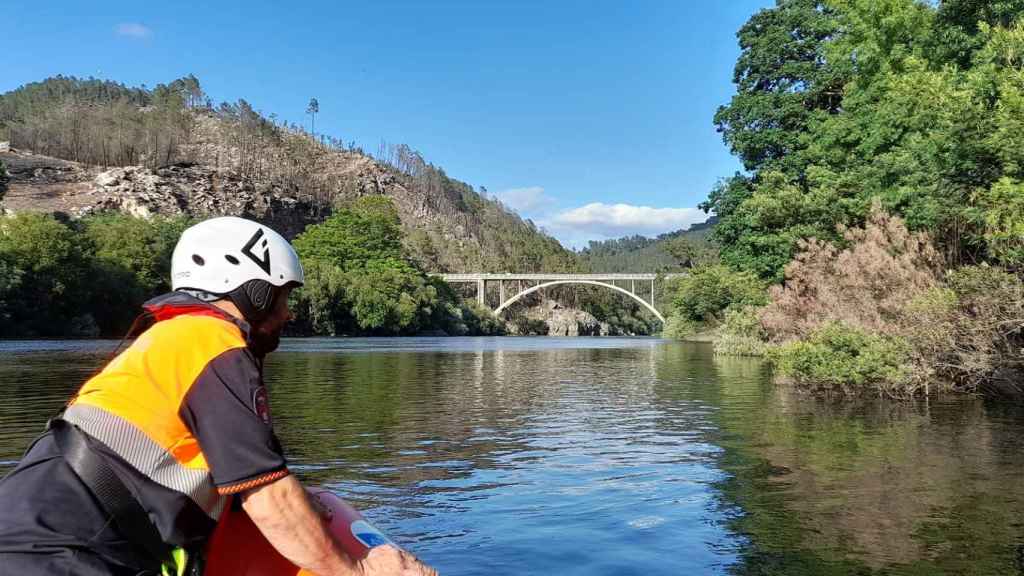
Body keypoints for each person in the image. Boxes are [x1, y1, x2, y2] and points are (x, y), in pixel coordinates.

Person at [0, 216, 438, 576]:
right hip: (59, 554)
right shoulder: (212, 341)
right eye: (282, 297)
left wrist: (306, 508)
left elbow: (243, 485)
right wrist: (358, 571)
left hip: (47, 539)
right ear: (254, 291)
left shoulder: (174, 339)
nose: (287, 314)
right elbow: (266, 495)